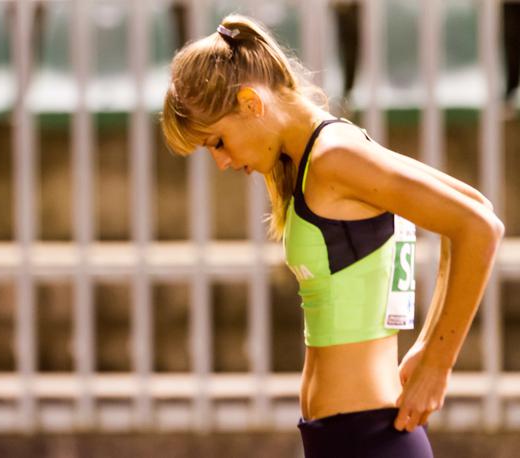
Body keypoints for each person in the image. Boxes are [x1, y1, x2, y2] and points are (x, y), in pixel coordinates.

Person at [160, 14, 504, 458]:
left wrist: (437, 362)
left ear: (250, 102)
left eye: (218, 142)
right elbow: (471, 210)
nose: (221, 162)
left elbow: (478, 226)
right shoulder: (326, 153)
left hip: (371, 436)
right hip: (339, 437)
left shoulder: (334, 157)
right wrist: (424, 347)